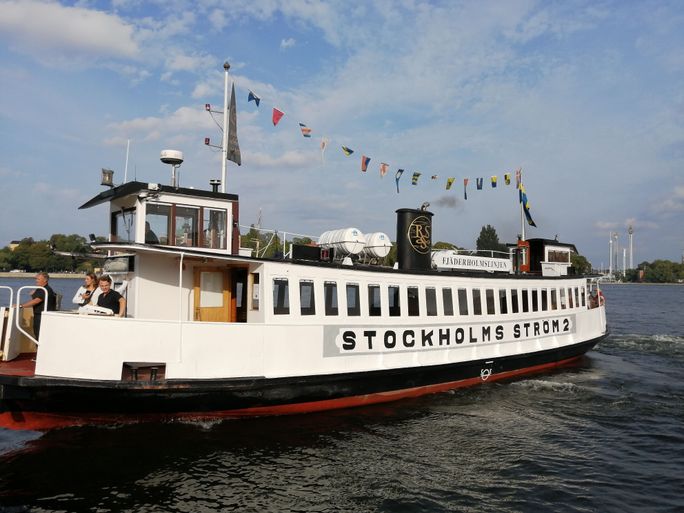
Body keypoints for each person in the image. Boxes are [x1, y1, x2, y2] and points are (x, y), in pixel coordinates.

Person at [19, 272, 57, 340]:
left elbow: (36, 301)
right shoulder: (40, 289)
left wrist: (21, 306)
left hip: (42, 316)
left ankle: (41, 350)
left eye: (38, 279)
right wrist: (33, 295)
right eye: (36, 279)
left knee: (39, 335)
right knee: (37, 334)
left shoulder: (45, 289)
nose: (36, 280)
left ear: (45, 280)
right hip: (38, 315)